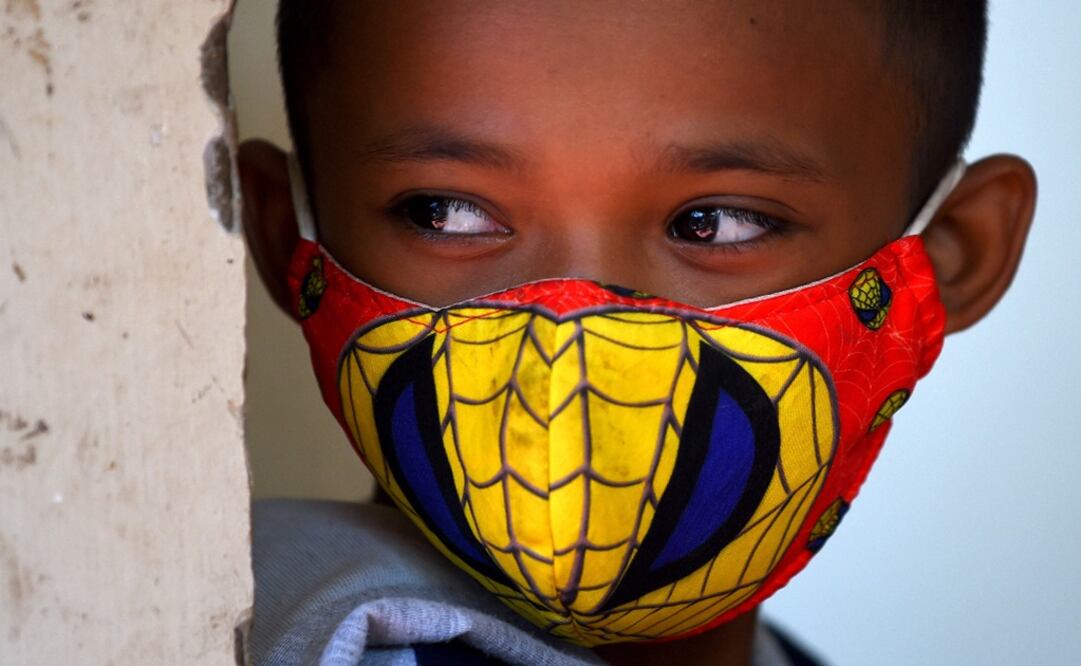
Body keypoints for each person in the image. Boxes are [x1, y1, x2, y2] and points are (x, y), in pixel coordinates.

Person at [237, 1, 1036, 664]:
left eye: (713, 223)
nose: (570, 334)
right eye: (446, 212)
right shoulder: (206, 621)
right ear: (284, 238)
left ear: (947, 256)